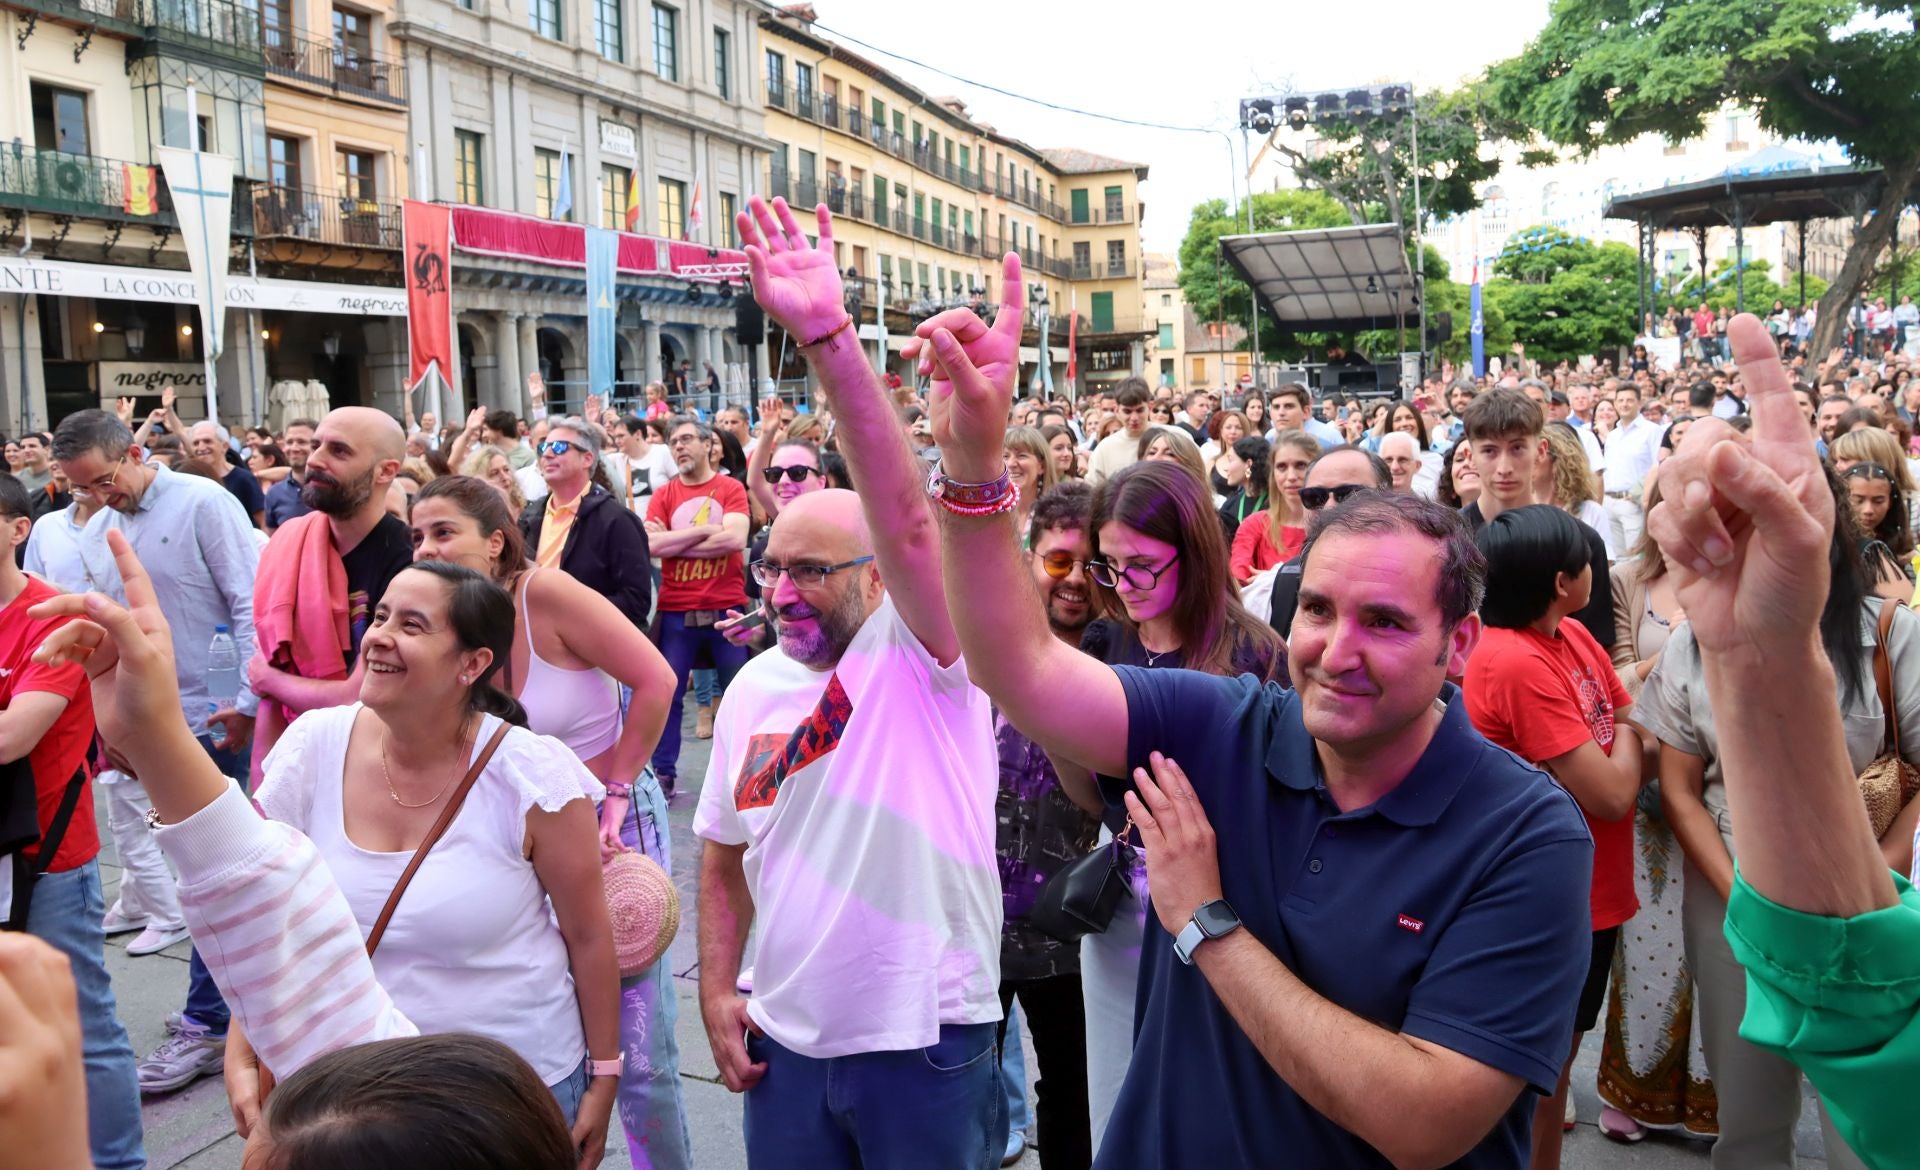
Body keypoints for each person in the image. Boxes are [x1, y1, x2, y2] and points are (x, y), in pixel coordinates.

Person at [912, 232, 1597, 1169]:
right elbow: (1019, 666)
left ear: (1459, 644)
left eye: (1386, 622)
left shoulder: (1526, 833)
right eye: (1316, 608)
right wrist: (971, 464)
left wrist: (1204, 923)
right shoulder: (1221, 723)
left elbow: (1424, 1120)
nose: (1335, 651)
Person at [697, 195, 1005, 1170]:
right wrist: (716, 988)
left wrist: (828, 337)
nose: (782, 590)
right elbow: (718, 856)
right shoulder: (750, 690)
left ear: (875, 579)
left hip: (926, 1040)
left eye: (811, 572)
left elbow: (915, 520)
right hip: (783, 1043)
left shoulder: (928, 658)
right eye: (771, 566)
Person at [226, 560, 622, 1163]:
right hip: (348, 1097)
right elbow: (264, 913)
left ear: (472, 664)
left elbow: (590, 936)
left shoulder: (532, 775)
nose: (380, 635)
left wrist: (605, 1075)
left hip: (507, 1098)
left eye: (413, 625)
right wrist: (246, 1043)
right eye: (380, 615)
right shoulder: (313, 746)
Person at [1640, 313, 1916, 1170]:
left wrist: (1883, 878)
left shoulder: (1893, 631)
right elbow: (1680, 787)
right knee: (1750, 1117)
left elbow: (1890, 1103)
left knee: (1858, 1135)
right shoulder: (1695, 640)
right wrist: (1752, 903)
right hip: (1732, 907)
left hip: (1877, 907)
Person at [407, 474, 690, 1168]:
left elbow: (657, 680)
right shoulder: (448, 617)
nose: (423, 549)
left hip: (605, 822)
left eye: (443, 533)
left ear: (496, 540)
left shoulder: (548, 595)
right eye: (416, 535)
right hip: (513, 834)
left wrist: (620, 785)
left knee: (638, 1055)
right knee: (542, 1029)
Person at [50, 407, 262, 1095]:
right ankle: (229, 1017)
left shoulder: (205, 501)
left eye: (105, 481)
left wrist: (251, 705)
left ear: (136, 451)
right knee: (199, 882)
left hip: (224, 720)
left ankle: (212, 1023)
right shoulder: (105, 531)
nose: (99, 498)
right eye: (83, 490)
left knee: (224, 878)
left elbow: (247, 600)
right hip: (163, 728)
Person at [1464, 504, 1644, 1170]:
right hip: (1550, 896)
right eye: (1586, 562)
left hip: (1592, 889)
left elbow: (1628, 716)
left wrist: (1627, 735)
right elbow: (1613, 789)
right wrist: (1630, 739)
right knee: (1534, 1074)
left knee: (1557, 1062)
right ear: (1562, 581)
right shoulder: (1513, 660)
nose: (1596, 569)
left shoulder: (1567, 635)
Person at [0, 473, 144, 1170]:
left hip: (48, 857)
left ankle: (117, 1163)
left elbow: (11, 738)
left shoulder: (49, 617)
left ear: (16, 529)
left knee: (83, 1025)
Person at [1595, 478, 1718, 1144]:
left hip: (1729, 786)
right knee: (1651, 947)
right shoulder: (1627, 579)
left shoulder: (1747, 579)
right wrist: (1679, 649)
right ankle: (1636, 1093)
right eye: (1661, 503)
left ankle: (1717, 1103)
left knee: (1725, 944)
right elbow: (1617, 682)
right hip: (1647, 779)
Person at [993, 481, 1103, 1169]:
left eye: (1096, 566)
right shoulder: (986, 646)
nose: (1076, 582)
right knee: (956, 1087)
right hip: (972, 919)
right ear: (1032, 559)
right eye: (1060, 562)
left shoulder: (1126, 656)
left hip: (1075, 932)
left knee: (1073, 1093)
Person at [247, 408, 418, 782]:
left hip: (376, 762)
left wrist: (270, 681)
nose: (315, 460)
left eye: (338, 451)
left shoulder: (410, 561)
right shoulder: (290, 541)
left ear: (386, 472)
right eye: (315, 445)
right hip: (291, 749)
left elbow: (362, 695)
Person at [639, 417, 748, 793]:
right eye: (673, 442)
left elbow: (735, 539)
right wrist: (705, 530)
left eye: (687, 439)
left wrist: (673, 538)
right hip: (676, 611)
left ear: (708, 444)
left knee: (739, 694)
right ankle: (664, 773)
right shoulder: (664, 494)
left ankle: (744, 771)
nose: (679, 447)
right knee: (666, 694)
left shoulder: (730, 488)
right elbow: (650, 546)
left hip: (727, 609)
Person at [1460, 389, 1615, 650]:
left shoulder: (1581, 542)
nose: (1504, 467)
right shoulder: (1447, 538)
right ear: (1470, 456)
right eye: (1489, 451)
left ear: (1540, 450)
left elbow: (1595, 648)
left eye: (1517, 448)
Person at [518, 416, 655, 633]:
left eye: (560, 447)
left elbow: (636, 601)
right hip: (537, 639)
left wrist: (570, 611)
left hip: (595, 647)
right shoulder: (530, 516)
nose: (547, 453)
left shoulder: (617, 520)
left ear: (587, 459)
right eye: (543, 446)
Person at [1263, 447, 1393, 638]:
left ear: (1389, 501)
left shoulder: (1422, 581)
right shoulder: (1280, 585)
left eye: (1351, 495)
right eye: (1315, 497)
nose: (1329, 507)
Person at [1229, 431, 1319, 584]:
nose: (1291, 476)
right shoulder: (1254, 524)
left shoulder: (1331, 526)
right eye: (1282, 467)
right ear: (1273, 473)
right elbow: (1238, 578)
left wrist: (1273, 578)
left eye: (1301, 465)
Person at [1842, 462, 1916, 604]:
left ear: (1890, 502)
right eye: (1858, 500)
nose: (1868, 510)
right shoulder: (1840, 545)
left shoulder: (1904, 549)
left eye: (1878, 501)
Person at [1601, 382, 1662, 553]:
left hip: (1634, 502)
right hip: (1609, 502)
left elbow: (1659, 465)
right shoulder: (1612, 435)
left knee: (1636, 558)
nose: (1624, 404)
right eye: (1620, 400)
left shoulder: (1652, 431)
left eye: (1629, 400)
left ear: (1639, 403)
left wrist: (1645, 497)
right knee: (1616, 558)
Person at [188, 421, 267, 529]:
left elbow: (263, 521)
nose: (201, 447)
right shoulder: (190, 480)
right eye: (196, 443)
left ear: (224, 446)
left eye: (207, 441)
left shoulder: (243, 479)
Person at [1086, 378, 1152, 484]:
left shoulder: (1174, 437)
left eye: (1140, 410)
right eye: (1127, 411)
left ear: (1149, 407)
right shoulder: (1104, 449)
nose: (1134, 417)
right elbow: (1093, 492)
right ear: (1117, 410)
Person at [262, 417, 317, 532]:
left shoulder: (332, 488)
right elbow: (274, 540)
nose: (294, 448)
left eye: (302, 442)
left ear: (317, 446)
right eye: (289, 442)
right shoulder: (274, 493)